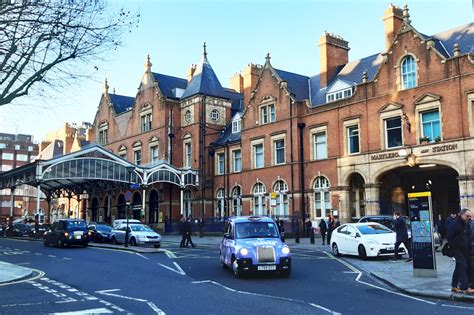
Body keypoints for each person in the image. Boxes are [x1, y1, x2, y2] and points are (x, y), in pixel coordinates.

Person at [447, 208, 474, 294]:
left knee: (459, 266)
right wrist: (453, 246)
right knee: (463, 265)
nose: (469, 218)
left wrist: (470, 248)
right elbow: (449, 236)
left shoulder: (466, 224)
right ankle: (465, 288)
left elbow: (469, 237)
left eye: (470, 216)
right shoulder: (454, 224)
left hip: (465, 249)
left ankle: (454, 286)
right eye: (467, 216)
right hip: (456, 249)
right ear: (462, 215)